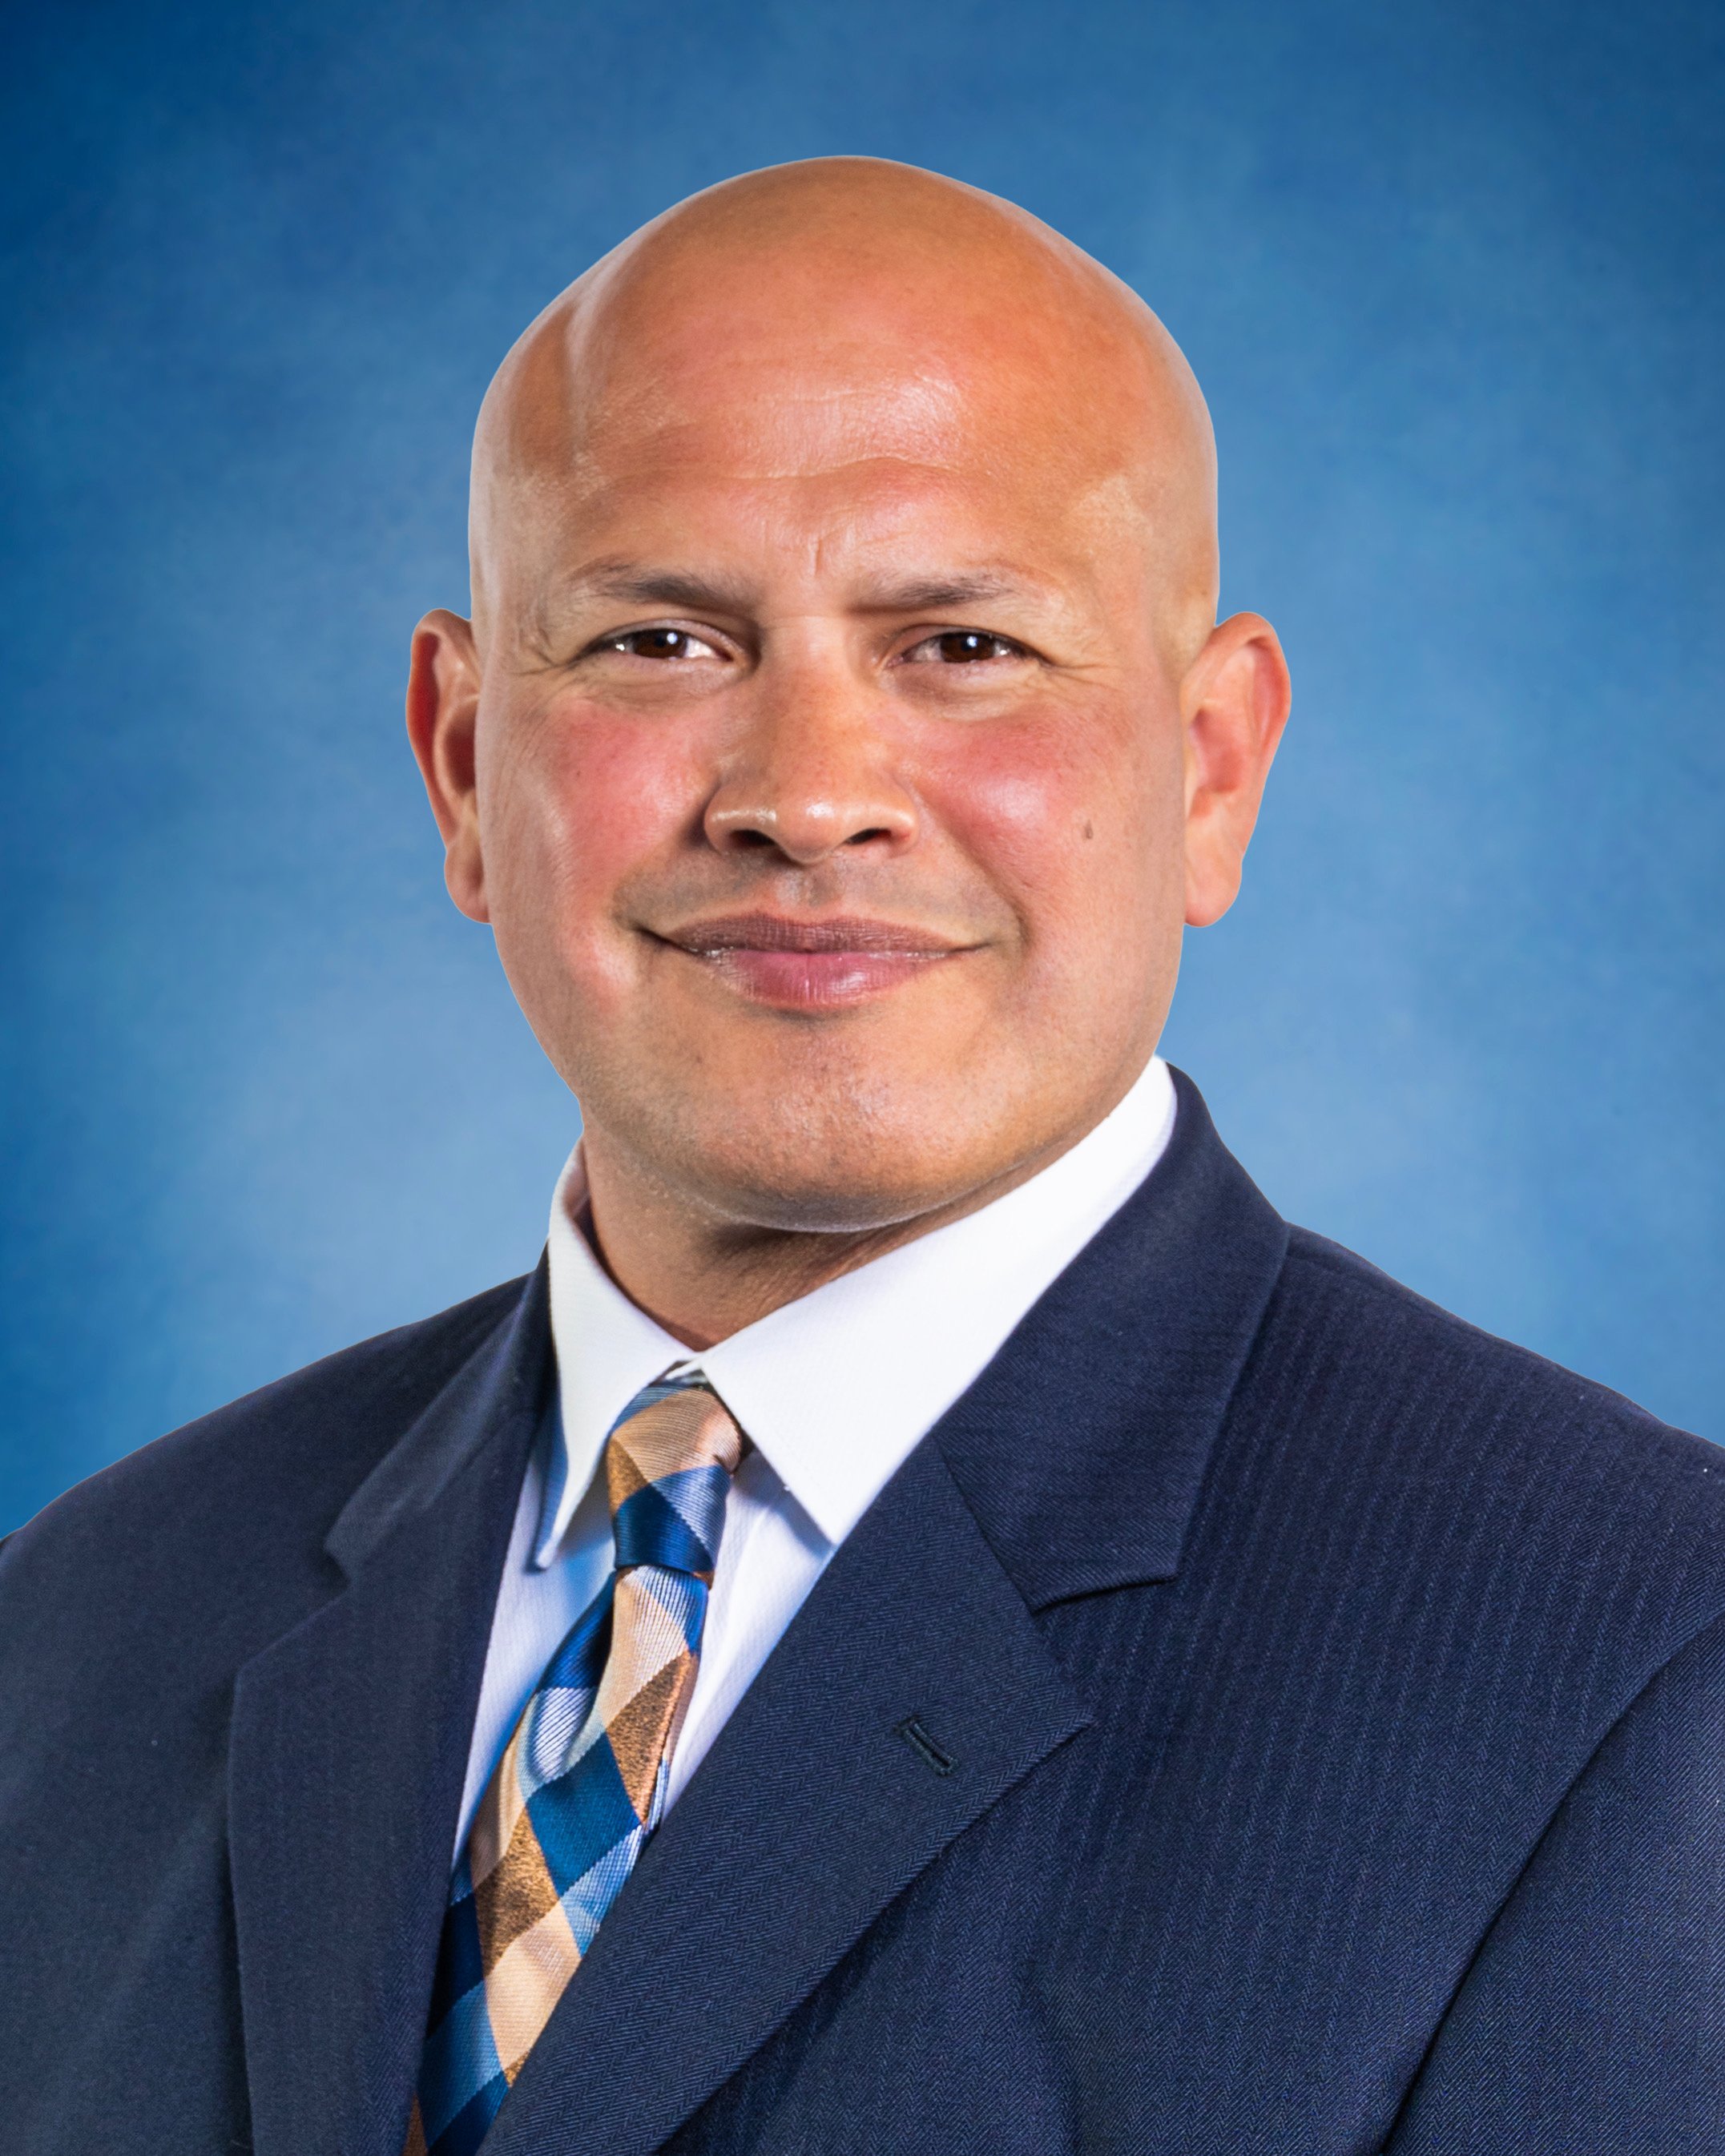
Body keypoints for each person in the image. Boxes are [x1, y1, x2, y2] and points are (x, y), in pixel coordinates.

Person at [2, 156, 1720, 2156]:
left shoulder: (1635, 1670)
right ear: (465, 764)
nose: (809, 796)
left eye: (963, 644)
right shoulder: (85, 1618)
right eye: (660, 639)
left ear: (1211, 767)